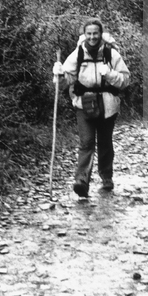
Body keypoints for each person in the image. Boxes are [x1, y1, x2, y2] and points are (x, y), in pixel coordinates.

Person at [53, 18, 130, 198]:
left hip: (108, 105)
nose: (93, 37)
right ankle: (82, 181)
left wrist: (109, 74)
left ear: (100, 34)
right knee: (86, 142)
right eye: (89, 34)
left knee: (105, 142)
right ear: (84, 35)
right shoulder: (78, 54)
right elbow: (65, 82)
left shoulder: (111, 54)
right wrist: (59, 74)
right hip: (83, 104)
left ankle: (106, 177)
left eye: (95, 33)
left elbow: (126, 80)